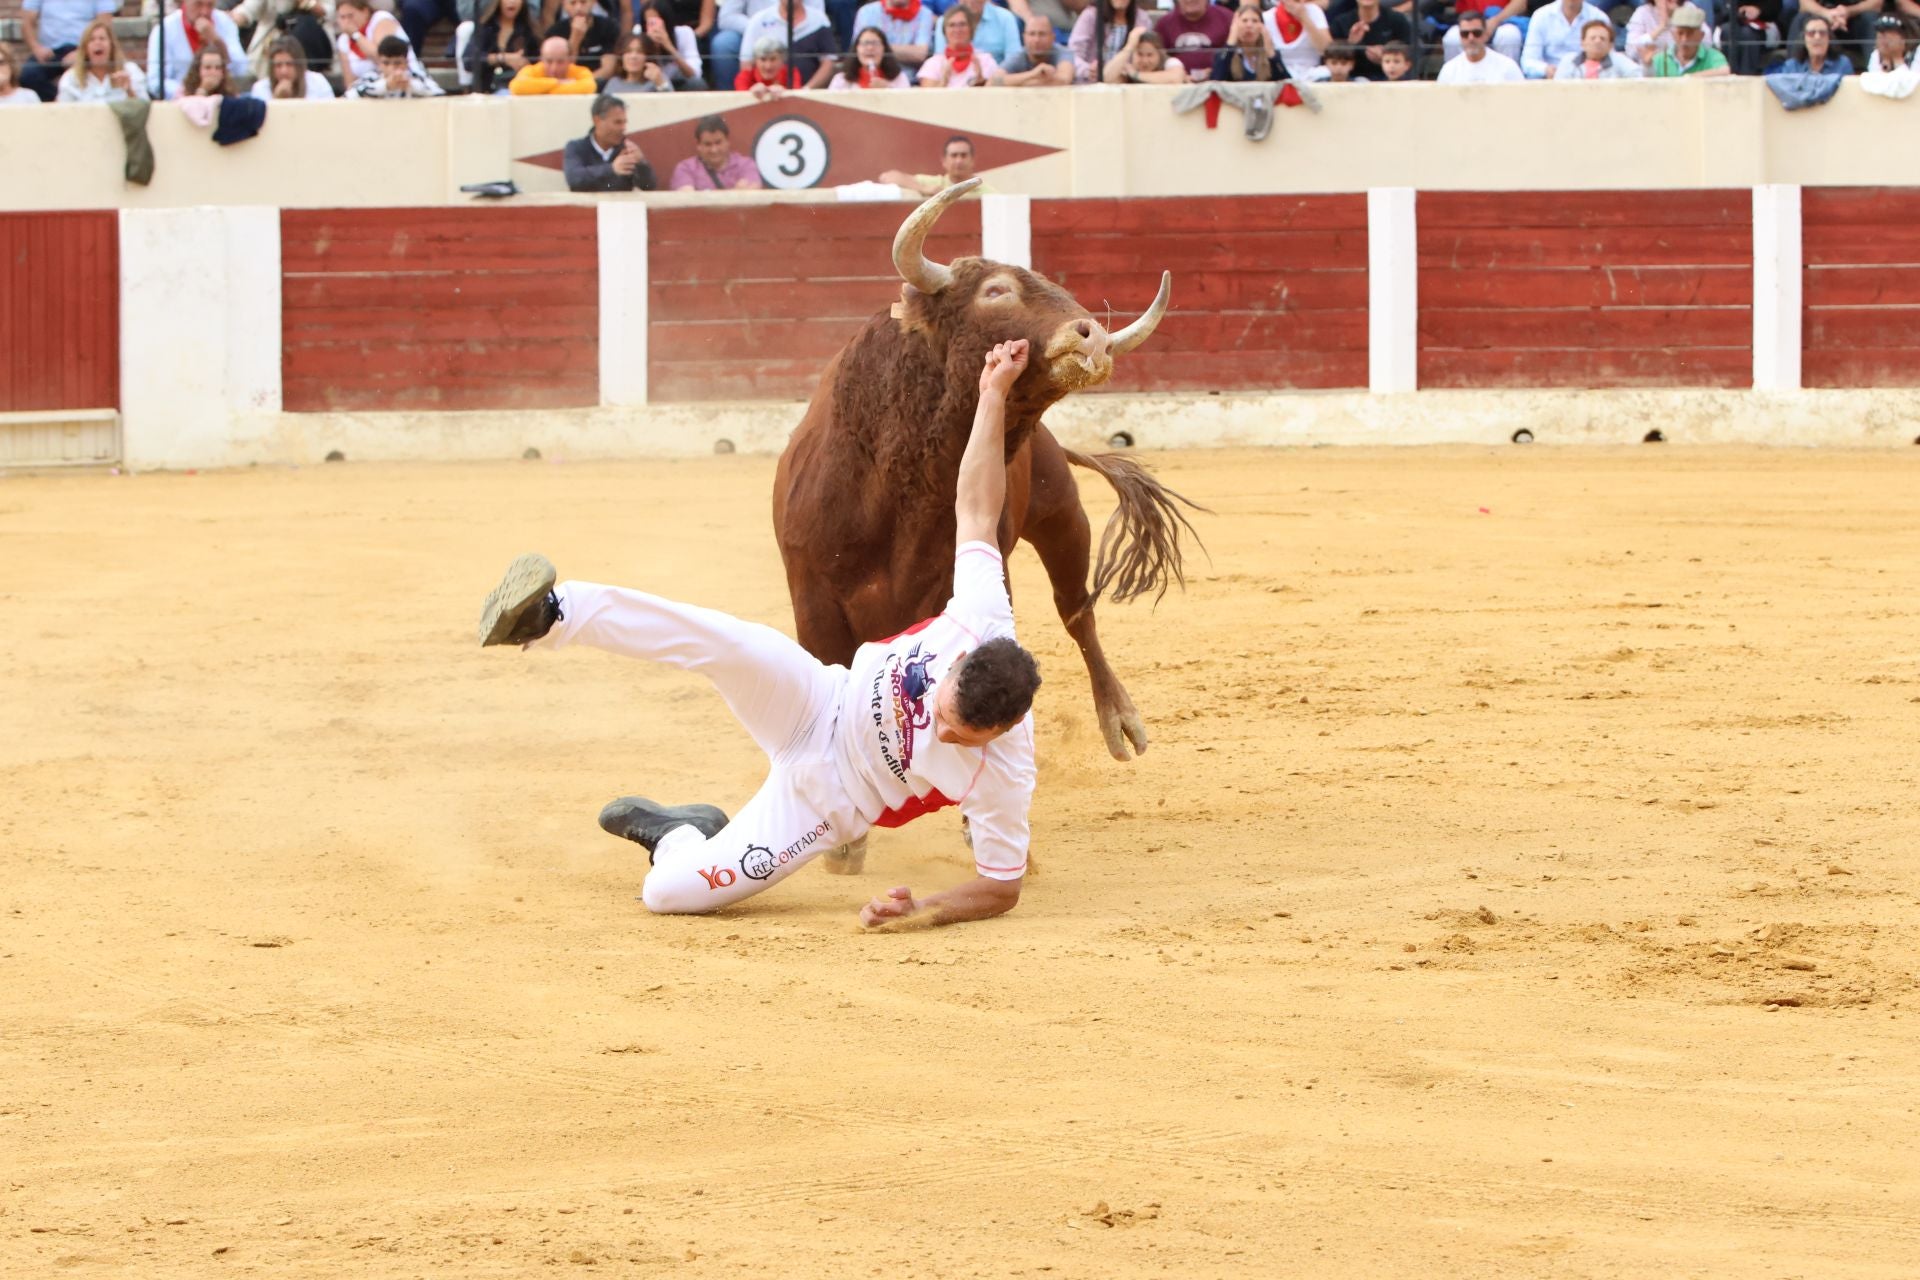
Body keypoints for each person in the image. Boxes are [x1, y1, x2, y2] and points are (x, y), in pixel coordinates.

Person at [476, 340, 1043, 929]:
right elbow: (977, 504)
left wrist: (923, 911)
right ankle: (552, 612)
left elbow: (1001, 887)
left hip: (829, 800)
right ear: (958, 666)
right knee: (724, 643)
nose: (939, 729)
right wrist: (992, 393)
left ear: (1002, 731)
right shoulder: (980, 615)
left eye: (961, 735)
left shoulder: (1007, 770)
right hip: (817, 698)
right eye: (945, 710)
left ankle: (682, 834)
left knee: (667, 894)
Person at [711, 0, 828, 92]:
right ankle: (726, 100)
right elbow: (727, 18)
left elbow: (816, 18)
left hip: (797, 32)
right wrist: (760, 26)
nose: (767, 65)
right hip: (749, 29)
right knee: (723, 43)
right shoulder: (758, 22)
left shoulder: (793, 72)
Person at [147, 0, 248, 100]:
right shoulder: (165, 29)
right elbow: (155, 80)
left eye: (210, 5)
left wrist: (217, 41)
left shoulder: (225, 22)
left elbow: (241, 71)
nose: (204, 12)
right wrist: (189, 94)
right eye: (198, 4)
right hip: (180, 104)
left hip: (222, 100)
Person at [19, 0, 116, 102]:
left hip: (85, 50)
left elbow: (105, 24)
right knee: (27, 75)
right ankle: (58, 105)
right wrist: (36, 48)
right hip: (50, 52)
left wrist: (81, 53)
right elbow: (27, 23)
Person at [565, 94, 658, 189]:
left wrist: (641, 164)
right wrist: (611, 169)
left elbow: (649, 187)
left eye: (624, 122)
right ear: (597, 121)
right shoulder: (577, 147)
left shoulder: (626, 149)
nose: (623, 128)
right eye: (617, 122)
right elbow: (574, 179)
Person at [739, 0, 842, 83]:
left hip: (808, 96)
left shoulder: (819, 20)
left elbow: (829, 63)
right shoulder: (759, 20)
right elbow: (746, 63)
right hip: (767, 96)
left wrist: (806, 91)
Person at [56, 16, 149, 102]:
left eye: (102, 38)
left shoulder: (130, 71)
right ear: (85, 49)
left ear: (111, 45)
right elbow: (62, 114)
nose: (98, 43)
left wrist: (129, 91)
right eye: (92, 40)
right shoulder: (71, 78)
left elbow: (145, 110)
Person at [335, 0, 425, 89]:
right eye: (342, 17)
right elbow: (350, 83)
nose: (347, 22)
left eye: (350, 16)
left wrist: (355, 34)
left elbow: (381, 56)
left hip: (405, 83)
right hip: (369, 91)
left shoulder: (381, 18)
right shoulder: (343, 40)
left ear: (365, 12)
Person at [669, 113, 765, 189]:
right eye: (708, 144)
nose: (714, 150)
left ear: (727, 142)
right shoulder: (685, 168)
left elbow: (752, 192)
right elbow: (687, 201)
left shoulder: (746, 164)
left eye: (718, 143)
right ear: (698, 146)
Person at [466, 0, 542, 95]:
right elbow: (468, 61)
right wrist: (503, 58)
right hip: (486, 91)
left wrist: (526, 66)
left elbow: (539, 63)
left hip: (518, 90)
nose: (512, 2)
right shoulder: (486, 28)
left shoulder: (529, 31)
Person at [1325, 0, 1413, 80]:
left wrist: (1386, 57)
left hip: (1387, 79)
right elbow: (1331, 56)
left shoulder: (1397, 20)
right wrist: (1350, 44)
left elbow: (1411, 53)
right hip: (1351, 80)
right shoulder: (1341, 22)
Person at [1519, 0, 1610, 77]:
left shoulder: (1599, 18)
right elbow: (1528, 60)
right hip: (1549, 81)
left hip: (1587, 80)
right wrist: (1546, 69)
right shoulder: (1541, 16)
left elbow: (1609, 59)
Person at [1069, 0, 1154, 81]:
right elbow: (1073, 54)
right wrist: (1087, 70)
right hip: (1092, 83)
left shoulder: (1142, 19)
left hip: (1126, 79)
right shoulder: (1091, 15)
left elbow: (1148, 53)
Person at [881, 133, 991, 194]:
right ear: (944, 161)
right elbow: (887, 177)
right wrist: (924, 188)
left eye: (963, 155)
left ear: (972, 160)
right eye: (954, 155)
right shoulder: (935, 183)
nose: (959, 160)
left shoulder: (988, 192)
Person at [633, 2, 708, 88]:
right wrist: (650, 47)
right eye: (649, 23)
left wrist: (668, 46)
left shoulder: (684, 33)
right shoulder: (638, 32)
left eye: (656, 22)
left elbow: (695, 74)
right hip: (650, 83)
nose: (653, 27)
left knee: (697, 84)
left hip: (678, 82)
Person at [918, 5, 1002, 82]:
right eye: (952, 25)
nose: (957, 30)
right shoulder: (933, 64)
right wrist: (942, 84)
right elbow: (927, 95)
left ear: (971, 29)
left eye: (962, 24)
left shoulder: (985, 61)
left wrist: (982, 84)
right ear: (944, 31)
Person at [546, 0, 622, 82]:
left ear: (593, 2)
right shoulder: (555, 32)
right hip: (567, 84)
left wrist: (583, 84)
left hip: (599, 82)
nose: (578, 8)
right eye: (573, 3)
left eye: (583, 2)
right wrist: (575, 38)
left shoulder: (609, 27)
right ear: (564, 5)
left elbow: (609, 68)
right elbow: (561, 68)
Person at [1437, 9, 1524, 79]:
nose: (1471, 38)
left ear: (1486, 35)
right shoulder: (1449, 70)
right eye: (1465, 34)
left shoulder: (1508, 67)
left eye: (1476, 33)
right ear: (1460, 36)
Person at [1156, 0, 1235, 77]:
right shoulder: (1164, 24)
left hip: (1219, 83)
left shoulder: (1226, 18)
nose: (1190, 1)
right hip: (1177, 84)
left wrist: (1216, 72)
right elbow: (1157, 59)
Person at [1626, 0, 1718, 66]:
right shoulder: (1643, 12)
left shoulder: (1688, 8)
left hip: (1682, 66)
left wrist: (1679, 17)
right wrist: (1661, 27)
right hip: (1651, 70)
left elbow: (1707, 42)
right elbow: (1631, 50)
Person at [349, 32, 449, 93]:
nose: (391, 68)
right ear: (379, 63)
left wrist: (411, 86)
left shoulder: (416, 77)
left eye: (397, 63)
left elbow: (439, 93)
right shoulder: (370, 78)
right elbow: (349, 95)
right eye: (386, 63)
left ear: (406, 63)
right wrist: (386, 85)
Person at [930, 0, 1025, 63]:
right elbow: (940, 60)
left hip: (997, 83)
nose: (972, 1)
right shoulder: (944, 21)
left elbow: (1013, 59)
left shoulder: (1005, 18)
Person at [1212, 1, 1288, 78]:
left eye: (1255, 21)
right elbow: (1216, 78)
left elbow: (1286, 81)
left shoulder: (1271, 55)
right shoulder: (1226, 54)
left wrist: (1271, 55)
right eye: (1244, 21)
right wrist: (1231, 42)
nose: (1249, 25)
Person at [853, 0, 936, 69]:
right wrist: (907, 52)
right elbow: (859, 50)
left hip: (910, 82)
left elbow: (920, 54)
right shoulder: (866, 12)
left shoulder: (925, 14)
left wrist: (877, 48)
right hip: (873, 76)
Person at [1649, 3, 1730, 73]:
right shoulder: (1660, 59)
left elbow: (1725, 71)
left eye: (1690, 34)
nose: (1684, 39)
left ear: (1701, 36)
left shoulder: (1713, 57)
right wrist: (1647, 66)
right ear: (1673, 35)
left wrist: (1688, 78)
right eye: (1680, 33)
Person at [995, 14, 1076, 82]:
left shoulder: (1063, 52)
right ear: (1024, 37)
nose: (1036, 40)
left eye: (1042, 34)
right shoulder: (1020, 56)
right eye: (1032, 34)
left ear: (1053, 37)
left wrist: (1016, 83)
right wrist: (1033, 74)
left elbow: (1064, 79)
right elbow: (995, 81)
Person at [251, 34, 337, 99]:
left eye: (289, 64)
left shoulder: (318, 82)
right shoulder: (260, 89)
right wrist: (277, 99)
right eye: (278, 65)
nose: (284, 71)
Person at [1263, 0, 1332, 81]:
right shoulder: (1267, 17)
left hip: (1312, 73)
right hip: (1280, 72)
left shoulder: (1314, 11)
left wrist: (1304, 17)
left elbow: (1326, 50)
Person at [1440, 0, 1525, 63]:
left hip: (1503, 21)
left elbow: (1520, 4)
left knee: (1509, 35)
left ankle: (1507, 83)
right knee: (1452, 38)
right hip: (1467, 22)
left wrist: (1496, 21)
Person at [1768, 13, 1854, 72]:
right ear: (1804, 39)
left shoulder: (1843, 64)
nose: (1817, 37)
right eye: (1811, 33)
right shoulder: (1791, 66)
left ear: (1829, 38)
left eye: (1822, 33)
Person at [510, 33, 600, 90]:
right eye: (549, 61)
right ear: (541, 59)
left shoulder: (581, 71)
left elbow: (589, 86)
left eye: (560, 62)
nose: (554, 68)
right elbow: (517, 86)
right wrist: (558, 82)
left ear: (570, 60)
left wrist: (540, 88)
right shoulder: (531, 70)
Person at [1555, 17, 1643, 74]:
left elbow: (1639, 77)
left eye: (1602, 38)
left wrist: (1647, 65)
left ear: (1610, 45)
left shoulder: (1619, 61)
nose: (1597, 41)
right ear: (1582, 43)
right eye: (1593, 38)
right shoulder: (1568, 62)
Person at [828, 26, 913, 85]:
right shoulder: (841, 80)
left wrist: (887, 90)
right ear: (856, 49)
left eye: (875, 43)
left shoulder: (899, 78)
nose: (870, 48)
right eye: (865, 43)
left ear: (884, 49)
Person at [1102, 27, 1189, 79]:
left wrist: (1136, 75)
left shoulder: (1169, 62)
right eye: (1140, 54)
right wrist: (1129, 46)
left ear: (1159, 54)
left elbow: (1176, 77)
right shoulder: (1127, 66)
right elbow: (1107, 77)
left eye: (1150, 55)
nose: (1145, 61)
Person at [1722, 0, 1782, 75]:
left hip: (1765, 23)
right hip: (1736, 21)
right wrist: (1738, 11)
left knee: (1748, 34)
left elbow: (1775, 8)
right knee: (1727, 30)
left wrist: (1759, 10)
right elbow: (1724, 12)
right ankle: (1728, 75)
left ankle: (1747, 76)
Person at [606, 32, 678, 88]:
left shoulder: (658, 80)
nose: (633, 56)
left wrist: (660, 82)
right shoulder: (614, 83)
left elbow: (672, 103)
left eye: (640, 52)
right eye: (628, 51)